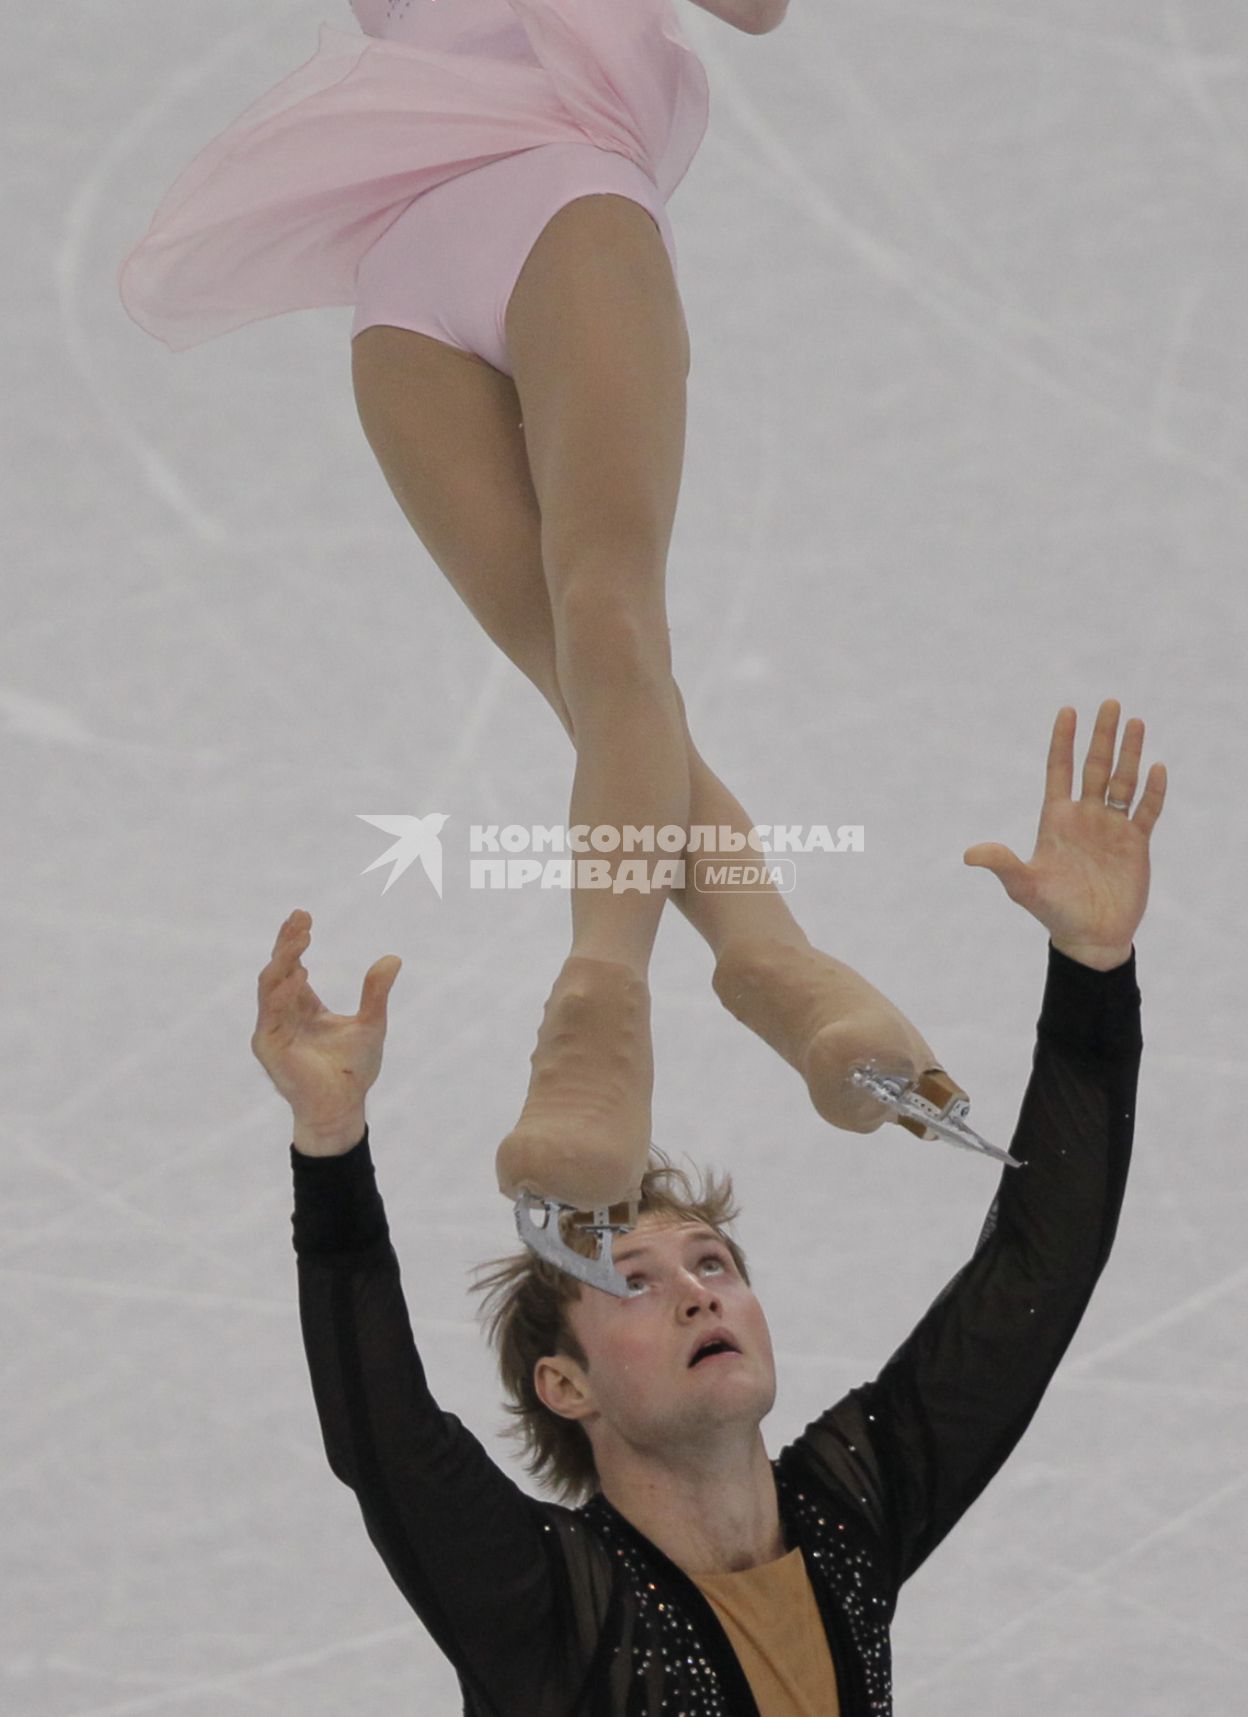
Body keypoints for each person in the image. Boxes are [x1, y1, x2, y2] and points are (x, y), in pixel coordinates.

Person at [120, 0, 985, 1291]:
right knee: (597, 679)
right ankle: (775, 961)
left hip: (564, 196)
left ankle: (599, 1017)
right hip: (399, 285)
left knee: (609, 620)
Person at [251, 698, 1166, 1717]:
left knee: (614, 674)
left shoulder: (846, 1522)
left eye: (713, 1264)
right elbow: (383, 1433)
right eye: (635, 1283)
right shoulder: (546, 1604)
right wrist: (329, 1143)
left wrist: (1092, 968)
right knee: (616, 670)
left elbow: (1035, 1272)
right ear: (565, 1385)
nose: (698, 1295)